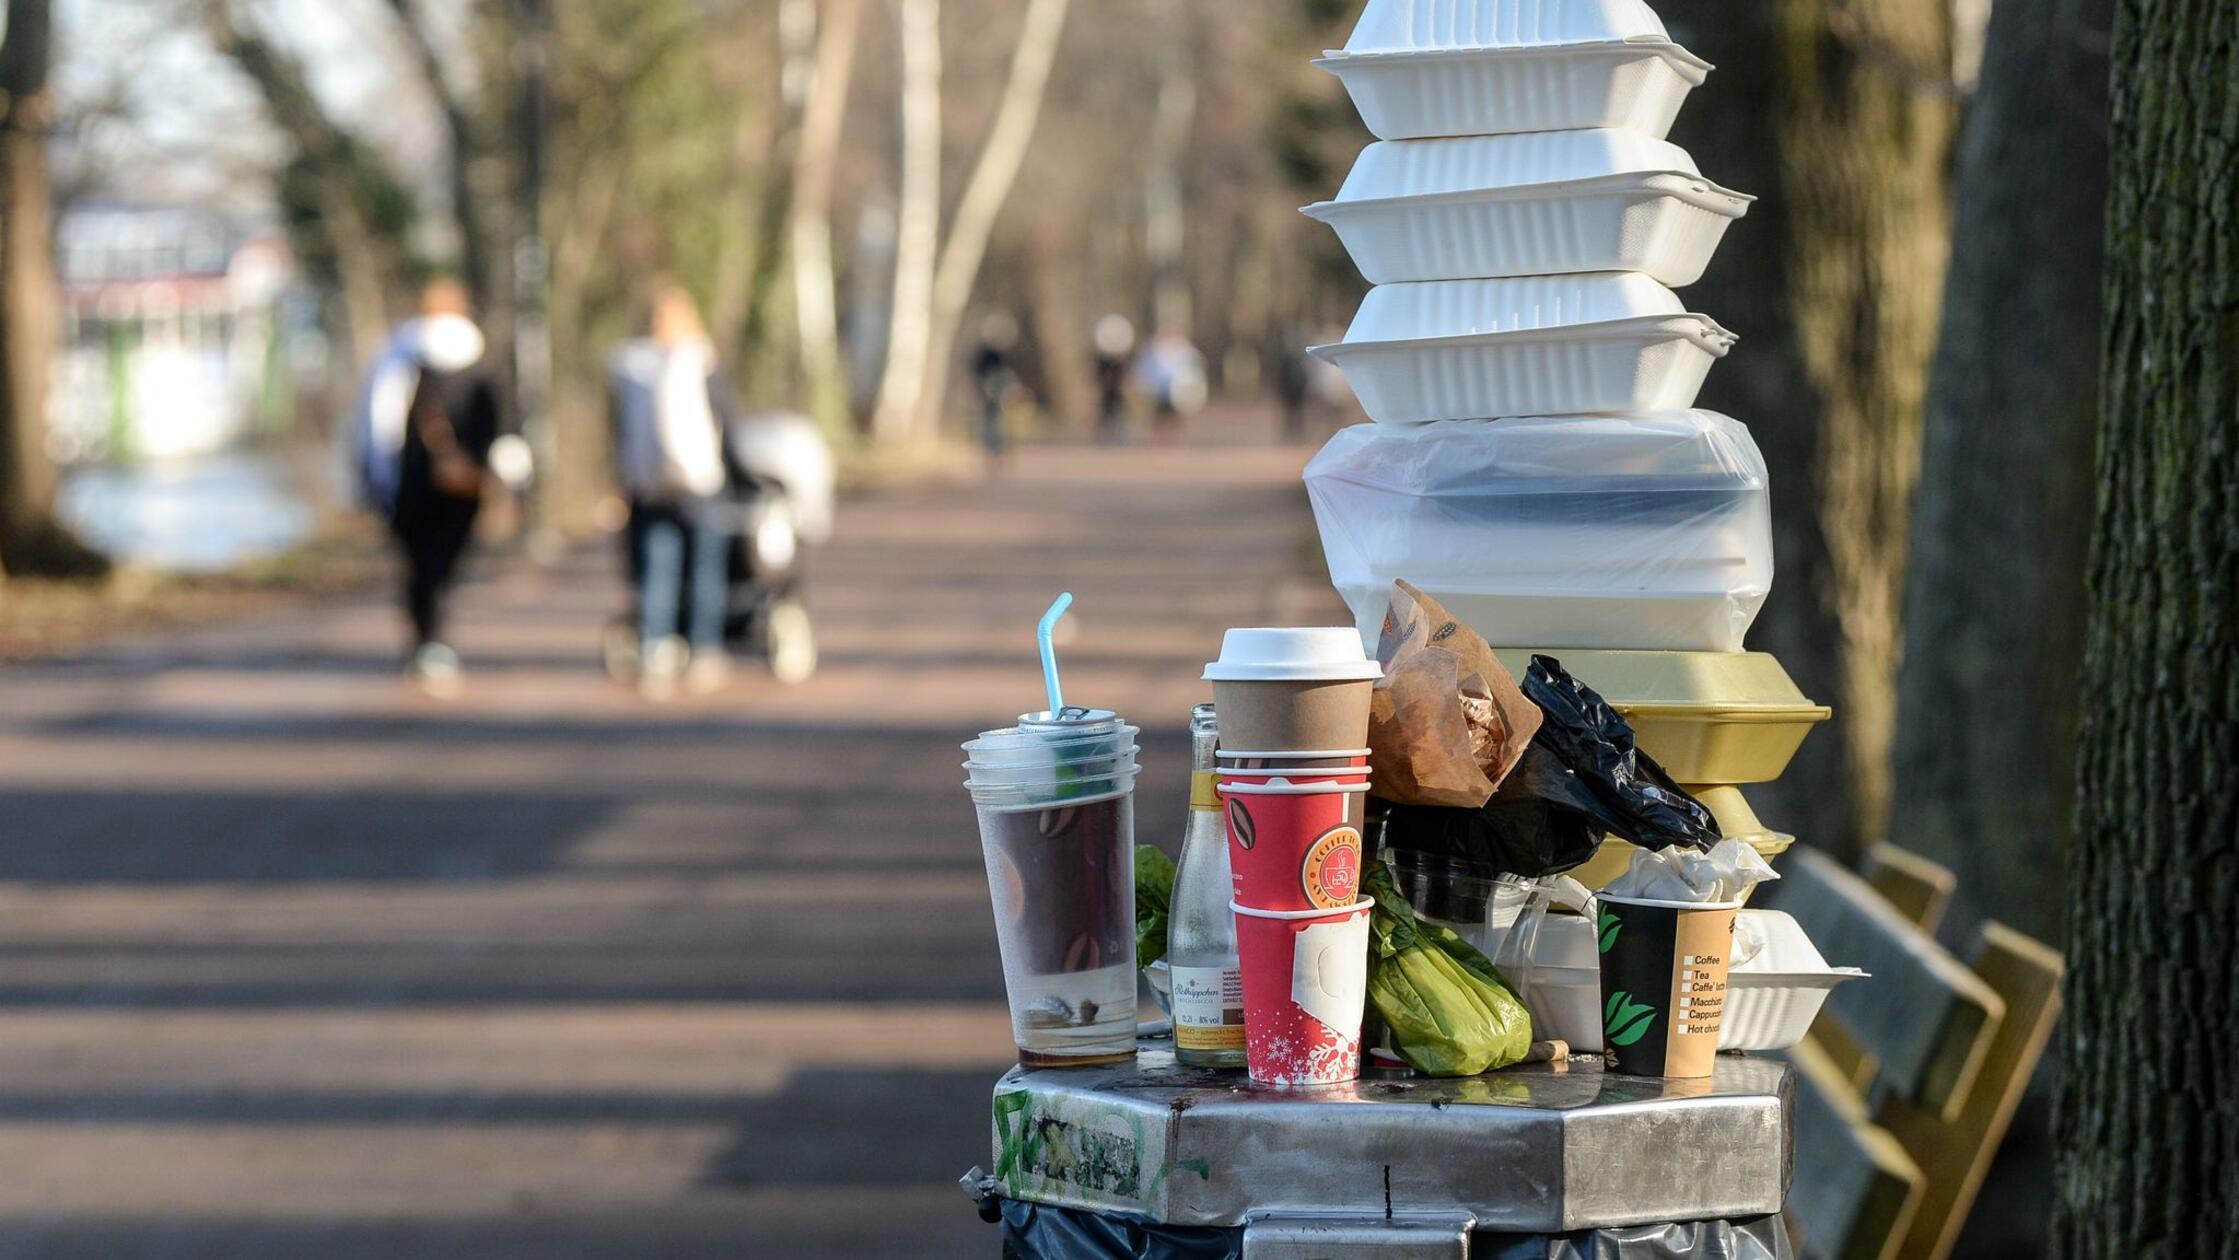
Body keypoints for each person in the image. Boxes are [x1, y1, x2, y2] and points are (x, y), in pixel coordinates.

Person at [355, 277, 509, 698]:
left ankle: (427, 639)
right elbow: (494, 422)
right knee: (441, 564)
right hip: (462, 486)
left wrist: (371, 477)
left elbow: (374, 424)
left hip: (408, 483)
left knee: (418, 566)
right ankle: (433, 638)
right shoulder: (480, 360)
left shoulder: (396, 356)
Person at [609, 284, 740, 700]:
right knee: (705, 572)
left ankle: (657, 652)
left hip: (648, 486)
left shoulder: (628, 366)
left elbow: (617, 431)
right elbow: (726, 423)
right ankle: (704, 651)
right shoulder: (702, 361)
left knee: (656, 574)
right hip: (701, 484)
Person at [1135, 329, 1207, 447]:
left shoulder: (1184, 352)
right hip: (1159, 391)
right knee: (1159, 418)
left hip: (1176, 392)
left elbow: (1191, 372)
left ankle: (1174, 441)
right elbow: (1146, 371)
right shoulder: (1153, 353)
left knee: (1175, 418)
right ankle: (1158, 441)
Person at [969, 312, 1020, 466]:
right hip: (987, 393)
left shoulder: (1001, 355)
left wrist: (1010, 389)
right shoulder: (984, 354)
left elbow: (1007, 374)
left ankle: (998, 452)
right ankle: (991, 452)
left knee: (998, 423)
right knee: (989, 423)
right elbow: (977, 373)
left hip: (997, 393)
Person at [1092, 314, 1135, 444]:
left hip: (1117, 393)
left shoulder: (1120, 363)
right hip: (1107, 394)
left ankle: (1118, 433)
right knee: (1105, 410)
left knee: (1118, 408)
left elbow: (1125, 375)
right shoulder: (1102, 362)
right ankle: (1104, 434)